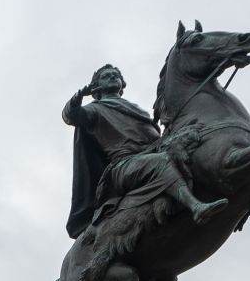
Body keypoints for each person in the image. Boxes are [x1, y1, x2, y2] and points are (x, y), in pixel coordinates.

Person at [64, 63, 228, 240]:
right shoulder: (93, 109)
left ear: (122, 83)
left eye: (115, 75)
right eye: (106, 76)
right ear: (96, 87)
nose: (112, 77)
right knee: (161, 161)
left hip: (151, 152)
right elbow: (71, 115)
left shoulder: (135, 108)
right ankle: (196, 207)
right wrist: (79, 96)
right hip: (123, 165)